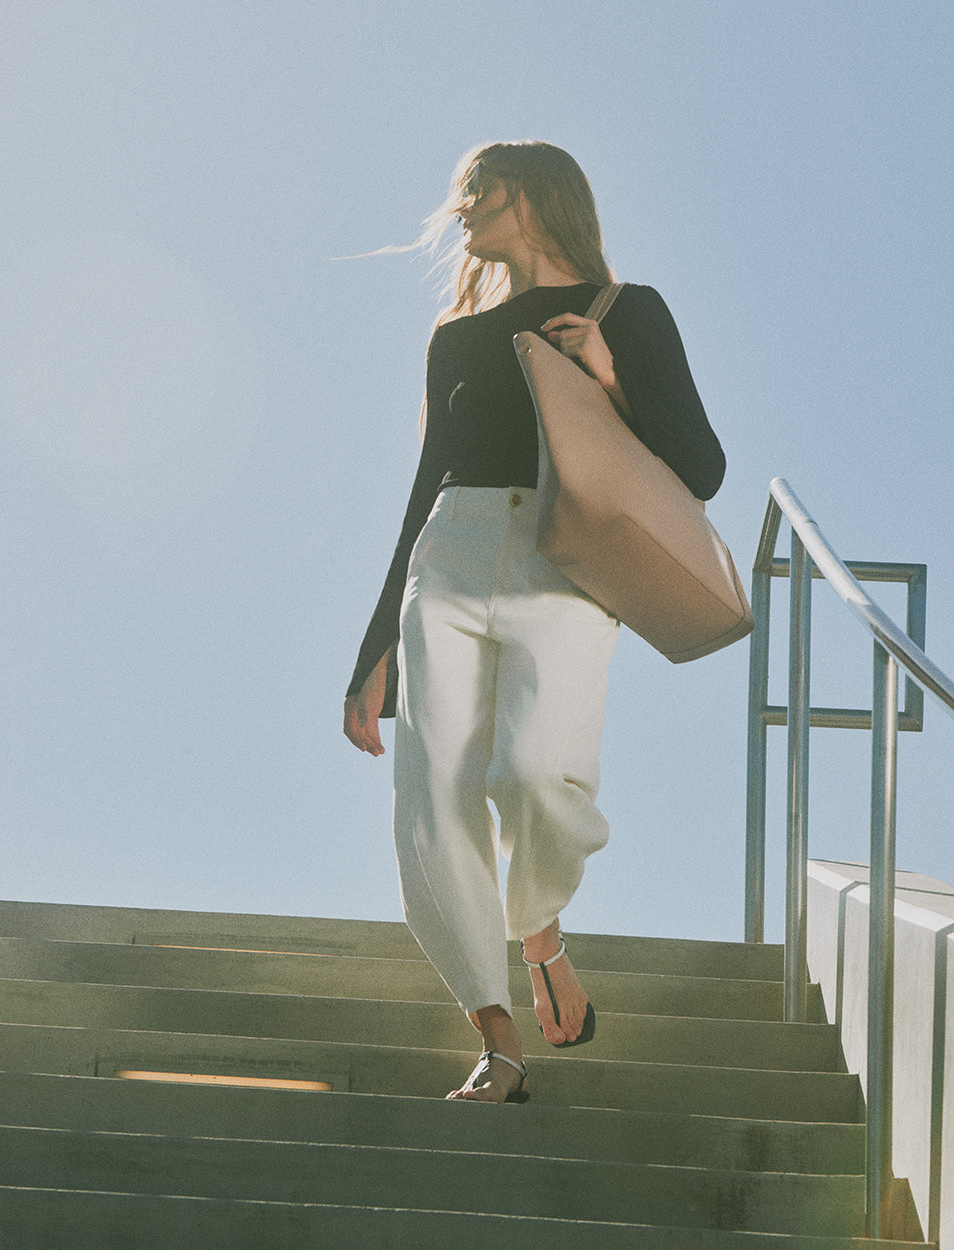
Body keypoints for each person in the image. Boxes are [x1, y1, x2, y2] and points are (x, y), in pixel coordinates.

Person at [343, 140, 726, 1104]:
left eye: (480, 189)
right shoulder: (453, 339)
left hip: (565, 559)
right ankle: (497, 1032)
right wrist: (373, 643)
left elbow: (700, 466)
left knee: (533, 773)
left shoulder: (627, 310)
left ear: (538, 195)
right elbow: (422, 487)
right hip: (452, 552)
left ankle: (540, 928)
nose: (460, 207)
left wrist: (607, 376)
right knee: (430, 799)